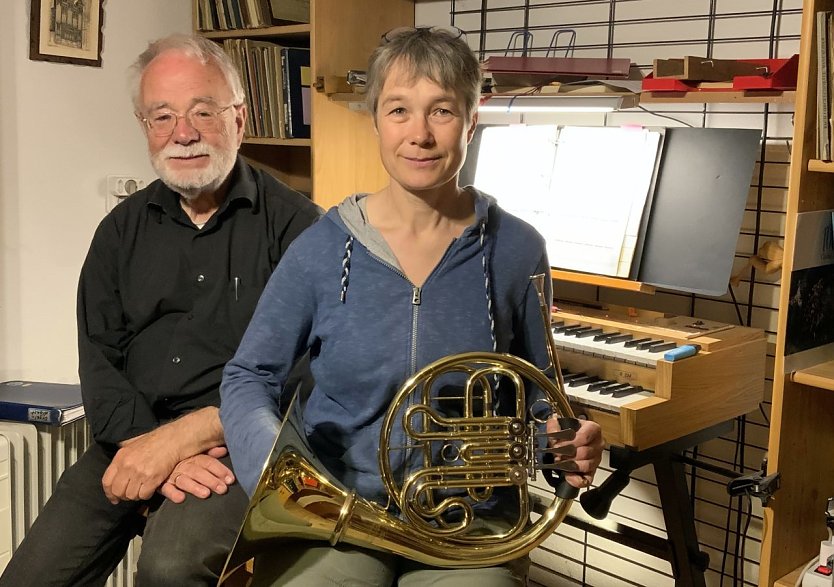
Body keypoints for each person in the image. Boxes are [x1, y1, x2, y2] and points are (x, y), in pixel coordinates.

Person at [220, 26, 604, 587]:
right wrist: (270, 471)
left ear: (473, 120)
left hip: (471, 527)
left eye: (442, 111)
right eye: (399, 110)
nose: (419, 134)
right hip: (339, 515)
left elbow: (539, 391)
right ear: (374, 119)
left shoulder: (520, 249)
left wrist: (566, 441)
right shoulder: (323, 248)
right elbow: (248, 374)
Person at [0, 34, 320, 587]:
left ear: (239, 118)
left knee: (169, 569)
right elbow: (99, 357)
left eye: (202, 111)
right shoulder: (119, 232)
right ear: (143, 126)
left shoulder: (299, 229)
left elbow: (308, 373)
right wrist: (152, 447)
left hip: (238, 448)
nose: (184, 133)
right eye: (163, 116)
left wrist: (187, 438)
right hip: (127, 439)